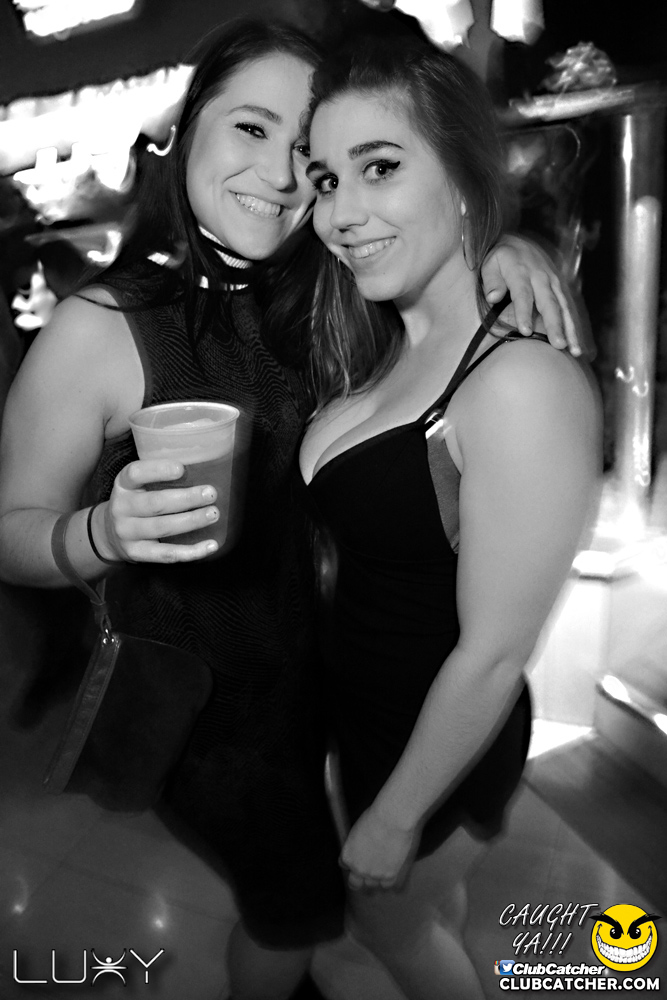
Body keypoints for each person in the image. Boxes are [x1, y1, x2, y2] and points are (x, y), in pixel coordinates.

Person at [0, 19, 583, 1000]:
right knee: (298, 916)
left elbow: (437, 291)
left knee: (386, 905)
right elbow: (9, 530)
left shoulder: (336, 291)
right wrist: (96, 533)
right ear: (186, 130)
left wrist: (503, 244)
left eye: (306, 154)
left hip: (360, 695)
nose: (279, 177)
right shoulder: (104, 326)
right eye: (249, 128)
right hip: (223, 723)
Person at [300, 37, 600, 1000]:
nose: (341, 213)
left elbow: (494, 653)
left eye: (380, 167)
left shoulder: (516, 382)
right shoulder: (383, 339)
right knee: (430, 915)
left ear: (465, 178)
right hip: (365, 710)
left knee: (390, 928)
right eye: (325, 179)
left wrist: (395, 816)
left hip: (439, 735)